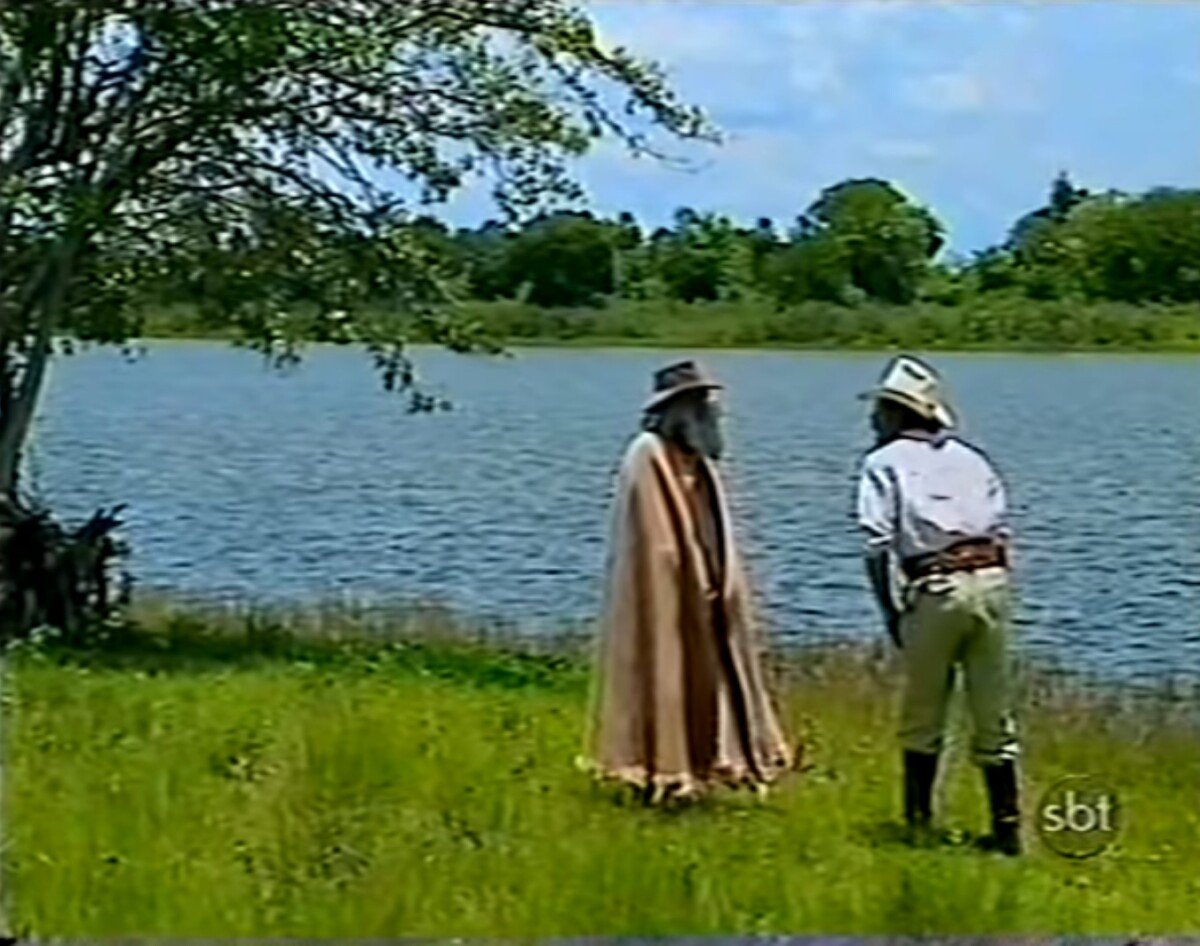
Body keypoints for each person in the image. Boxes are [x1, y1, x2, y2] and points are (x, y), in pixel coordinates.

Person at [583, 360, 792, 804]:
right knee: (667, 671)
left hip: (707, 595)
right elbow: (656, 539)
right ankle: (660, 771)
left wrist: (721, 582)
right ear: (676, 410)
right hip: (669, 596)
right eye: (699, 405)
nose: (710, 414)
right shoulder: (648, 453)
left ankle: (711, 765)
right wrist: (687, 578)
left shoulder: (697, 460)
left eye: (709, 405)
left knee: (711, 678)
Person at [855, 355, 1022, 855]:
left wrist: (890, 613)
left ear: (893, 413)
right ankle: (1007, 831)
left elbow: (876, 544)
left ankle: (918, 823)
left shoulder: (882, 463)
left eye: (879, 411)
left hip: (936, 587)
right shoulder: (972, 459)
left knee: (923, 713)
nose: (871, 421)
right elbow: (1000, 527)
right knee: (994, 714)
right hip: (991, 582)